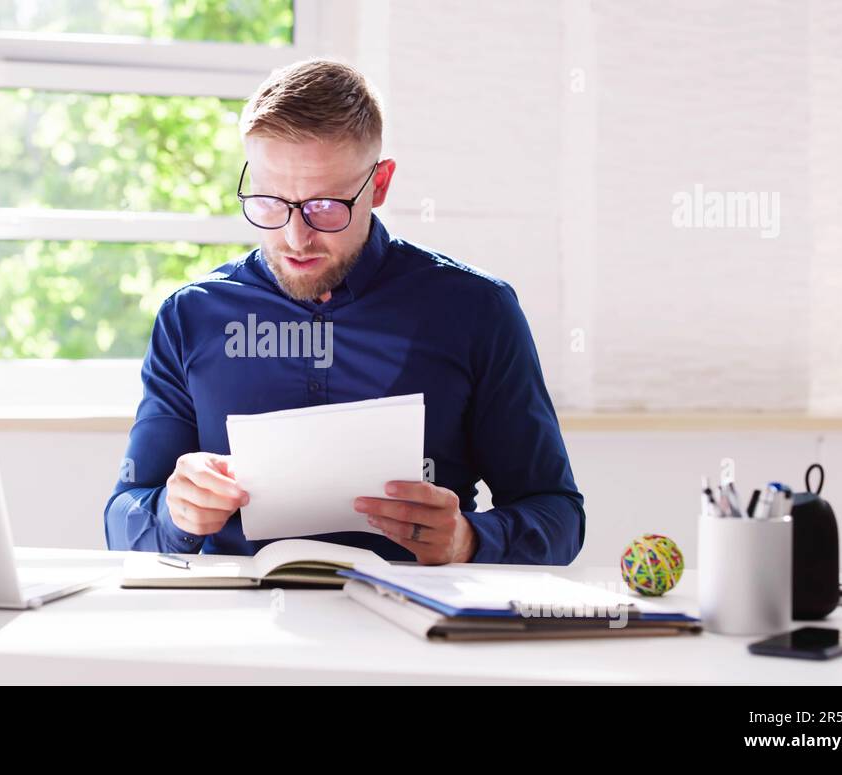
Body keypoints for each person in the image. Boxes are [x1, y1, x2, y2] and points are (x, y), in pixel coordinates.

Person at [104, 58, 584, 565]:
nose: (295, 238)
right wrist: (173, 513)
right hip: (240, 625)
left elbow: (558, 515)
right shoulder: (191, 318)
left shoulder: (477, 311)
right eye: (269, 201)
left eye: (326, 207)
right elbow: (122, 521)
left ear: (379, 185)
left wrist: (469, 539)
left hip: (415, 627)